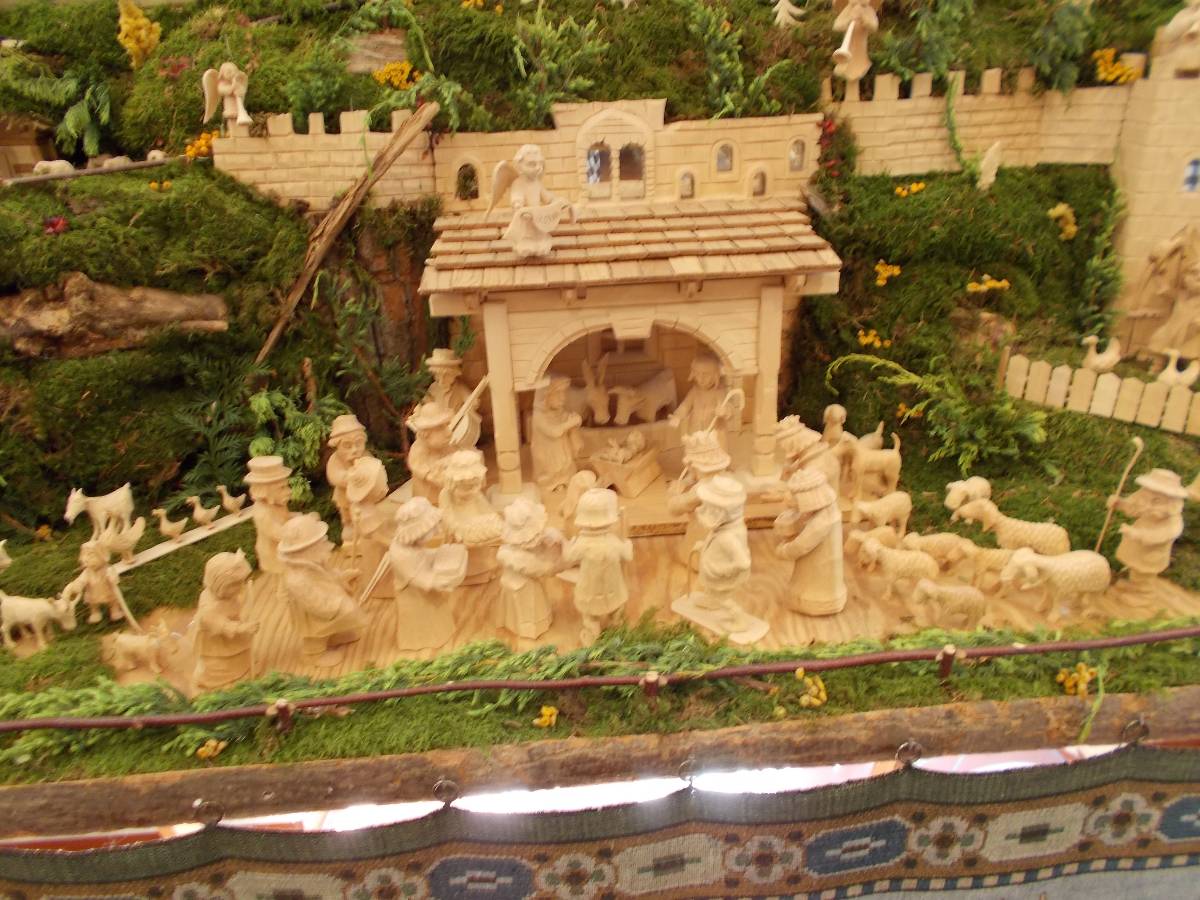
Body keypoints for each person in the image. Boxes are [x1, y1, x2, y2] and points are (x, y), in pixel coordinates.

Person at [277, 513, 366, 666]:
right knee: (316, 632)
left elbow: (328, 576)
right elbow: (315, 604)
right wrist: (339, 606)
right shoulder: (297, 579)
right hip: (315, 612)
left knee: (329, 624)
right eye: (320, 542)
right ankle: (313, 654)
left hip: (328, 602)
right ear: (306, 549)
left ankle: (333, 636)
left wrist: (342, 578)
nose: (326, 544)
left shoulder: (313, 563)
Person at [390, 498, 469, 652]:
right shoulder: (401, 554)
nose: (437, 531)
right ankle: (422, 641)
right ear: (416, 532)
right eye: (431, 529)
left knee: (436, 613)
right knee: (424, 619)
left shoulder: (411, 546)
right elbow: (416, 577)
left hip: (425, 589)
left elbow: (422, 556)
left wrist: (438, 553)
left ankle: (440, 634)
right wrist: (436, 583)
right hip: (414, 595)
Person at [773, 468, 847, 616]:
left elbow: (801, 545)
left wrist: (784, 550)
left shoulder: (822, 521)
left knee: (813, 584)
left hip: (819, 566)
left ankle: (818, 602)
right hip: (822, 564)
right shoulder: (828, 511)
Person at [563, 488, 631, 644]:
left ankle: (592, 632)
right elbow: (628, 555)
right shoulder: (613, 541)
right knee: (616, 610)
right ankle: (615, 626)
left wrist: (571, 543)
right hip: (613, 590)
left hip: (590, 592)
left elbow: (569, 557)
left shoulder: (582, 543)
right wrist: (627, 543)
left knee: (590, 616)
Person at [495, 498, 564, 640]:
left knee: (521, 609)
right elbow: (542, 568)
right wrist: (558, 564)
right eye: (536, 534)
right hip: (524, 587)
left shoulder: (515, 549)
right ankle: (528, 628)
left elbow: (542, 540)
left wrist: (553, 538)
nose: (538, 536)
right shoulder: (516, 557)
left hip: (517, 584)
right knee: (528, 610)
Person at [192, 550, 258, 692]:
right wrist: (241, 628)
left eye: (241, 583)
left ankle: (241, 673)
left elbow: (238, 604)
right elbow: (217, 623)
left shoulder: (230, 596)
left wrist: (247, 596)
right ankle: (217, 682)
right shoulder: (210, 605)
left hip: (233, 636)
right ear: (220, 584)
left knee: (239, 657)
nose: (240, 588)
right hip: (217, 639)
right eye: (236, 585)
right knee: (220, 664)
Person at [1107, 468, 1189, 580]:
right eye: (1145, 498)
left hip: (1151, 552)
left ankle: (1142, 587)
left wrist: (1138, 534)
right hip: (1136, 547)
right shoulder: (1146, 501)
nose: (1148, 505)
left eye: (1157, 501)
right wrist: (1120, 504)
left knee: (1144, 571)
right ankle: (1132, 581)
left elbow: (1161, 535)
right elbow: (1134, 508)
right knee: (1134, 564)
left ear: (1173, 503)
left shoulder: (1173, 522)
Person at [667, 430, 732, 569]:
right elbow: (696, 477)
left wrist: (674, 494)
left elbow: (674, 509)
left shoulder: (700, 491)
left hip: (704, 537)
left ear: (694, 466)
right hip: (727, 536)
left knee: (698, 553)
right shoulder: (726, 479)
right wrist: (686, 482)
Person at [669, 353, 740, 449]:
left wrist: (724, 411)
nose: (701, 378)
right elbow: (685, 405)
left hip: (714, 432)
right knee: (696, 450)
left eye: (705, 374)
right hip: (695, 429)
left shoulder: (719, 392)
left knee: (714, 451)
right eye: (697, 374)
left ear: (715, 375)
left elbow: (727, 407)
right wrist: (678, 416)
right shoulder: (694, 391)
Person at [243, 456, 295, 576]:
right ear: (265, 492)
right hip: (273, 553)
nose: (289, 491)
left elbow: (285, 518)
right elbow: (277, 533)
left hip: (283, 548)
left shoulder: (278, 504)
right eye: (282, 488)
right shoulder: (262, 512)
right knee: (283, 574)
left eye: (287, 486)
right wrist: (298, 530)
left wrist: (300, 519)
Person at [531, 376, 583, 494]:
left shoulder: (558, 411)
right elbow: (554, 432)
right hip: (547, 452)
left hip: (561, 448)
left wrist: (573, 418)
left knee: (566, 464)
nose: (562, 398)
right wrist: (570, 423)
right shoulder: (539, 416)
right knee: (551, 468)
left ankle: (563, 481)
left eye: (564, 393)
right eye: (558, 394)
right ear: (545, 397)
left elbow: (565, 418)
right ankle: (551, 483)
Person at [326, 414, 373, 542]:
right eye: (347, 446)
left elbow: (373, 468)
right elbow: (334, 476)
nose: (354, 450)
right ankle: (348, 524)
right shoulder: (335, 460)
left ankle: (367, 526)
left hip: (363, 493)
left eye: (359, 443)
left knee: (366, 510)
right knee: (346, 510)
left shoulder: (365, 455)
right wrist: (347, 477)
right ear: (337, 446)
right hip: (345, 494)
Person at [423, 348, 481, 448]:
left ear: (454, 374)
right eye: (437, 376)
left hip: (456, 428)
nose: (441, 381)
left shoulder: (460, 388)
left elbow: (471, 400)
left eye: (446, 376)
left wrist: (473, 403)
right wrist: (419, 411)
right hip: (439, 429)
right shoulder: (433, 388)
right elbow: (425, 404)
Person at [406, 403, 456, 503]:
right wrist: (431, 476)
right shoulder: (418, 449)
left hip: (445, 492)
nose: (449, 433)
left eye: (447, 425)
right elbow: (418, 467)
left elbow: (454, 457)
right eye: (440, 429)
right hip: (427, 495)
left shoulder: (446, 446)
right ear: (426, 434)